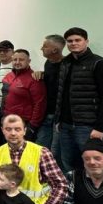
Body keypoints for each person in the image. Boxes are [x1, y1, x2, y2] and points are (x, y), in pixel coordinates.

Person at [55, 27, 103, 175]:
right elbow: (62, 93)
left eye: (78, 40)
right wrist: (58, 119)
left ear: (86, 41)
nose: (73, 43)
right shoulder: (65, 63)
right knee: (68, 164)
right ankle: (74, 190)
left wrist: (100, 127)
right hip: (65, 125)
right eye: (70, 41)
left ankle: (98, 190)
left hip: (88, 127)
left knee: (94, 166)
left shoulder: (100, 64)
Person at [0, 49, 46, 141]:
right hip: (7, 120)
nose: (17, 62)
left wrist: (32, 126)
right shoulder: (8, 76)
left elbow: (40, 104)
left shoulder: (34, 79)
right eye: (15, 59)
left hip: (24, 123)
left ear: (29, 61)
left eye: (21, 60)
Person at [35, 34, 65, 163]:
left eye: (45, 46)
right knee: (40, 148)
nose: (41, 48)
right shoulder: (48, 63)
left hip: (61, 117)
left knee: (57, 152)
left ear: (55, 50)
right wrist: (41, 74)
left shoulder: (67, 65)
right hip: (47, 114)